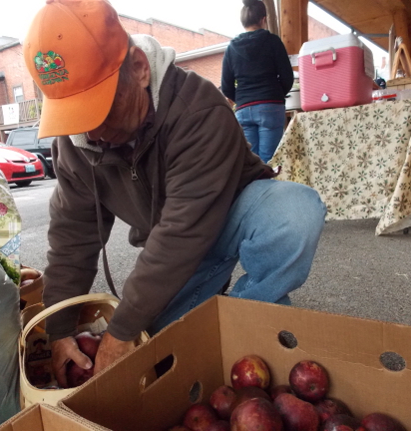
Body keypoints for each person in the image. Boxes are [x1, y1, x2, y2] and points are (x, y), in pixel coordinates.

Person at [23, 0, 326, 388]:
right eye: (77, 115)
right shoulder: (75, 143)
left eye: (100, 109)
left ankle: (248, 315)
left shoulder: (198, 109)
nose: (93, 133)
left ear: (138, 68)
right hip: (170, 247)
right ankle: (208, 307)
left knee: (295, 213)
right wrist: (60, 329)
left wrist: (121, 331)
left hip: (229, 218)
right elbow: (71, 237)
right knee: (159, 348)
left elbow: (181, 234)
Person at [221, 0, 294, 163]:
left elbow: (226, 86)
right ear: (263, 19)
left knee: (251, 162)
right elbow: (287, 77)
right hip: (270, 106)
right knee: (270, 160)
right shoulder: (273, 42)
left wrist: (242, 98)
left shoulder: (232, 48)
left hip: (244, 109)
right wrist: (274, 94)